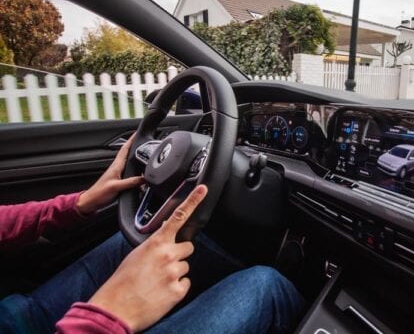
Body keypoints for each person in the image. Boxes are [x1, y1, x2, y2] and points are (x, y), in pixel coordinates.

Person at [0, 136, 304, 334]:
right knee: (265, 285)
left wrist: (77, 204)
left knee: (158, 242)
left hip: (15, 318)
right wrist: (107, 317)